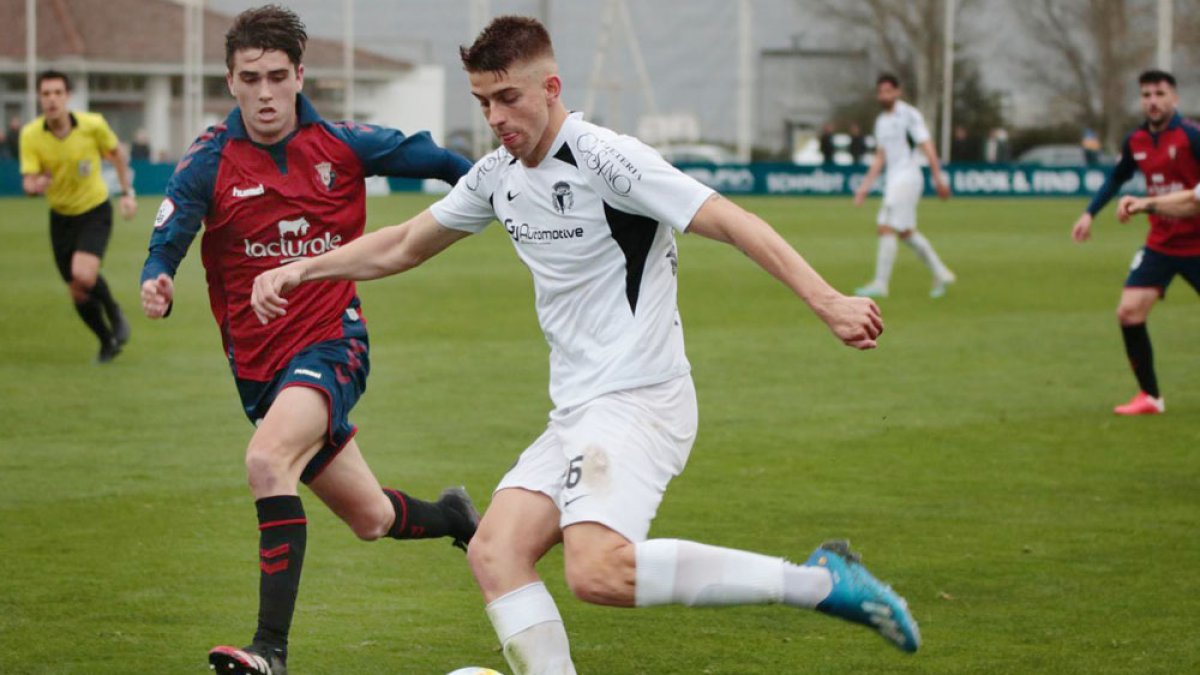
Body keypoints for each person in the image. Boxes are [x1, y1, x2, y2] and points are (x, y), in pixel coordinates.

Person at [250, 16, 917, 675]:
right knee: (494, 552)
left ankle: (819, 582)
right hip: (577, 411)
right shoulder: (497, 175)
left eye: (508, 97)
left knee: (596, 570)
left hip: (639, 400)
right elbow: (402, 243)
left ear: (551, 88)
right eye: (483, 102)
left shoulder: (607, 158)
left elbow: (732, 220)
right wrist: (302, 268)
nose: (496, 117)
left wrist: (828, 299)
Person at [137, 7, 478, 674]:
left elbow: (438, 160)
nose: (264, 93)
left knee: (268, 462)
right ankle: (456, 517)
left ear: (299, 75)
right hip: (260, 372)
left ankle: (269, 650)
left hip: (332, 344)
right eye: (249, 79)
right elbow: (170, 231)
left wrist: (496, 189)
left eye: (276, 77)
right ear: (230, 82)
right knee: (371, 517)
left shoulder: (343, 144)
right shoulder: (210, 158)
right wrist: (158, 277)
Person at [1070, 70, 1200, 416]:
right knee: (1128, 312)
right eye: (1146, 95)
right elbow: (1116, 177)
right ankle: (1150, 397)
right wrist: (1089, 213)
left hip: (1198, 243)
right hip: (1162, 243)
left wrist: (1145, 204)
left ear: (1175, 98)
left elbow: (1195, 199)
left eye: (1160, 94)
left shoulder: (1192, 136)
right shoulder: (1137, 140)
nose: (1153, 101)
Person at [20, 70, 137, 362]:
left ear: (68, 96)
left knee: (83, 274)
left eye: (57, 93)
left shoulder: (92, 125)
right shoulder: (31, 135)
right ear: (39, 98)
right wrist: (35, 185)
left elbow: (117, 155)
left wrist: (127, 193)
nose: (52, 99)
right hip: (60, 217)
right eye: (46, 94)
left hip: (94, 209)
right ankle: (106, 342)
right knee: (77, 290)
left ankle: (114, 312)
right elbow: (29, 182)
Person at [853, 74, 955, 299]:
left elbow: (927, 146)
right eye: (881, 92)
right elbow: (880, 157)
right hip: (894, 179)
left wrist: (939, 178)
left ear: (898, 92)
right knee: (906, 233)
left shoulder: (909, 115)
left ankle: (881, 284)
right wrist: (864, 187)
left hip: (908, 176)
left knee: (885, 226)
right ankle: (941, 272)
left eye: (888, 91)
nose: (884, 95)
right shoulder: (881, 121)